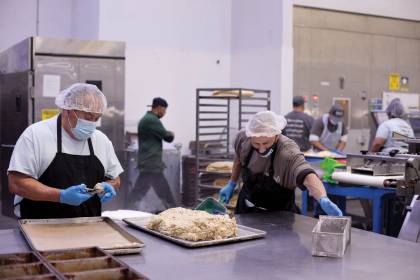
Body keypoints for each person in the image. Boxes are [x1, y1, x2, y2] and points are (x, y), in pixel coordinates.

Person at [8, 83, 123, 219]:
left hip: (88, 227)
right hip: (40, 227)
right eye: (87, 117)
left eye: (96, 119)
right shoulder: (36, 135)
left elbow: (115, 179)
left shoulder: (101, 140)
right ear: (67, 110)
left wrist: (109, 186)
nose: (92, 124)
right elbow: (16, 183)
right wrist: (61, 196)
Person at [218, 111, 342, 216]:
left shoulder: (288, 151)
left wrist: (322, 198)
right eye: (256, 144)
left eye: (266, 143)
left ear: (277, 136)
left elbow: (307, 175)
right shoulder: (243, 138)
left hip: (280, 214)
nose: (261, 149)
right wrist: (231, 183)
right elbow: (239, 159)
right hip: (247, 207)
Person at [127, 97, 176, 210]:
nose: (164, 113)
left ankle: (127, 210)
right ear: (159, 108)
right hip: (151, 163)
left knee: (141, 192)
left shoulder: (146, 119)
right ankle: (174, 211)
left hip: (149, 163)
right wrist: (171, 133)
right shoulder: (152, 120)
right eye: (164, 110)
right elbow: (167, 137)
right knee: (163, 193)